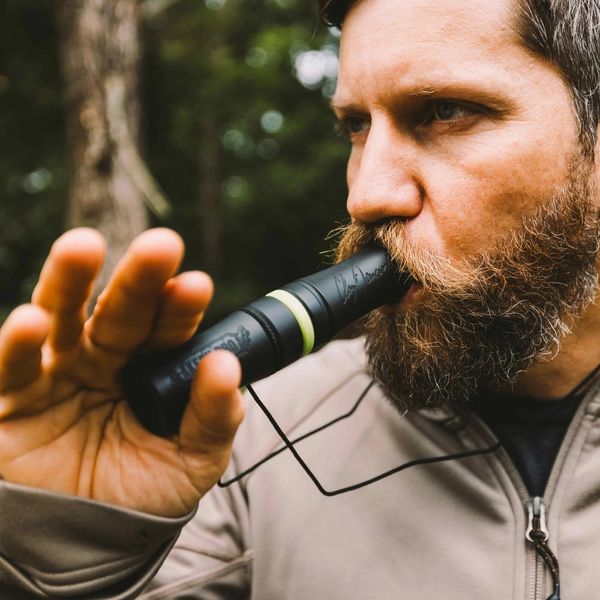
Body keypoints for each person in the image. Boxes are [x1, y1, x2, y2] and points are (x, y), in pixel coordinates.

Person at [1, 0, 600, 597]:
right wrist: (69, 549)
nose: (366, 196)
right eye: (357, 126)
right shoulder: (241, 437)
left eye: (445, 112)